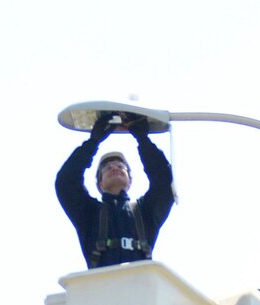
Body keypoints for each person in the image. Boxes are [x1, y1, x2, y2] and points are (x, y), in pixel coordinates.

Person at [55, 112, 175, 269]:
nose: (114, 168)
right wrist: (92, 142)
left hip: (140, 288)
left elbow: (165, 183)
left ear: (130, 181)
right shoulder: (89, 214)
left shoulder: (145, 212)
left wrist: (143, 140)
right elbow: (66, 181)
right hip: (103, 289)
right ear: (100, 184)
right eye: (107, 167)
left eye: (121, 166)